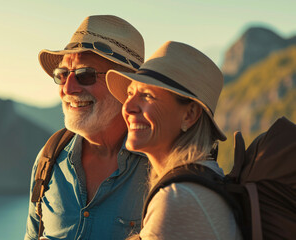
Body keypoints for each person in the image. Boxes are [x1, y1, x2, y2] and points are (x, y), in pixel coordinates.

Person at [24, 15, 149, 240]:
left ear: (126, 85)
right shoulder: (49, 159)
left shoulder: (159, 167)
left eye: (85, 75)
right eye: (62, 75)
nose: (68, 88)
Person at [106, 41, 243, 239]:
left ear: (189, 115)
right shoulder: (201, 180)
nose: (128, 108)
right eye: (130, 93)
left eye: (147, 95)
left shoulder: (178, 199)